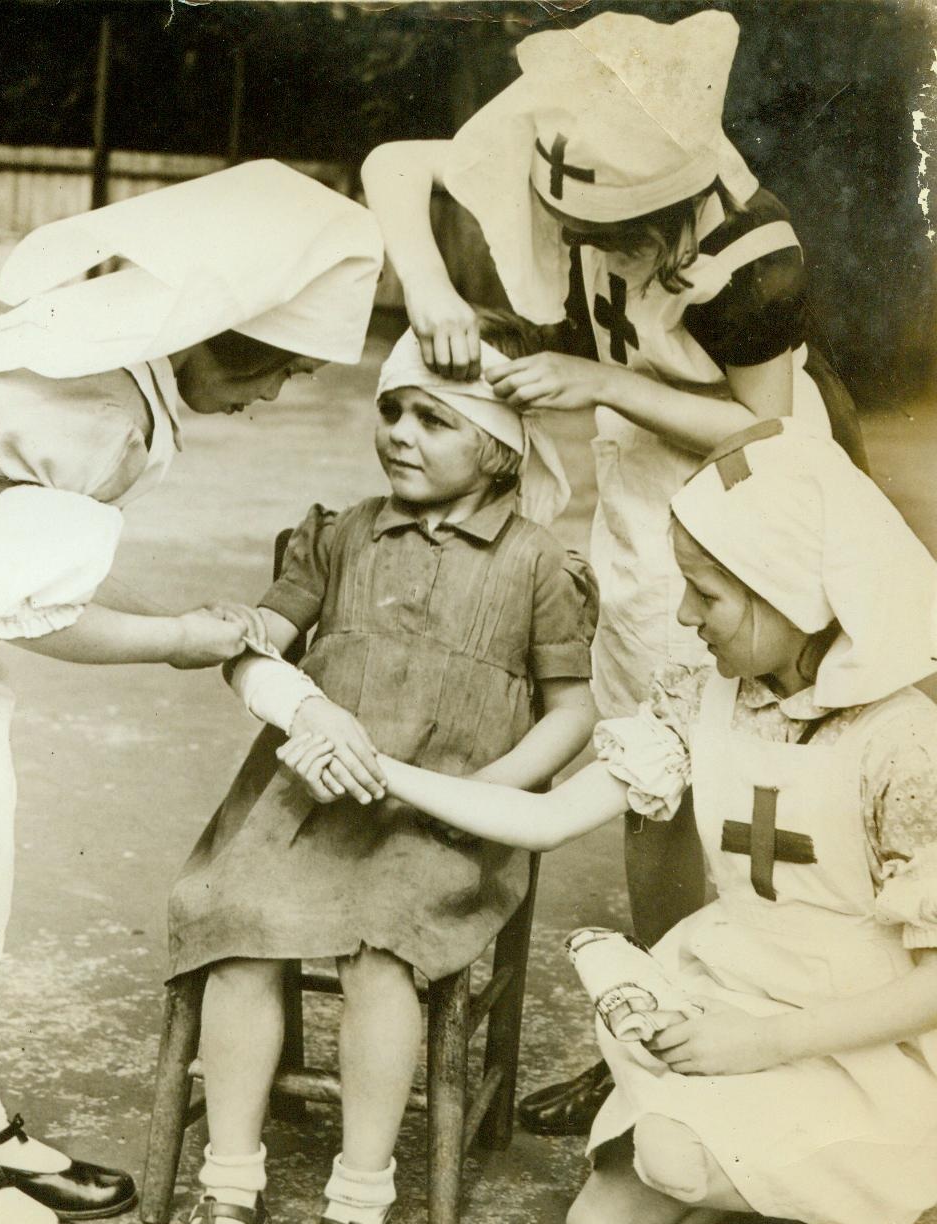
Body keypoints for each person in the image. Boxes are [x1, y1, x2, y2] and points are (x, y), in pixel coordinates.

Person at [361, 7, 870, 1131]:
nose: (610, 253)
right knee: (656, 767)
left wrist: (603, 386)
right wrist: (430, 291)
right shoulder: (573, 135)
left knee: (773, 771)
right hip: (641, 502)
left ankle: (783, 1028)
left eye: (635, 234)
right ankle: (651, 1014)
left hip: (761, 499)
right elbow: (397, 165)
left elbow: (765, 437)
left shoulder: (755, 258)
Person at [286, 418, 937, 1224]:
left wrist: (762, 1046)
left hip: (863, 1044)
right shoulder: (706, 694)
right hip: (731, 998)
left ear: (792, 589)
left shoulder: (904, 744)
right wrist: (383, 772)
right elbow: (549, 817)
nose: (689, 617)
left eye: (710, 594)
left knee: (677, 1158)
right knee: (609, 1205)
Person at [0, 160, 384, 1224]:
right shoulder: (105, 412)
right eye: (272, 373)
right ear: (216, 337)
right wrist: (180, 640)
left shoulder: (86, 344)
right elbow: (43, 615)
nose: (272, 398)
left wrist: (189, 623)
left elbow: (43, 555)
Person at [166, 314, 599, 1224]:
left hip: (444, 819)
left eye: (433, 419)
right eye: (392, 410)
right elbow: (253, 651)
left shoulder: (538, 564)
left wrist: (487, 796)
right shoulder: (340, 535)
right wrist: (302, 710)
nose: (399, 432)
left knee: (382, 951)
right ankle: (228, 1180)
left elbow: (573, 711)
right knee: (235, 926)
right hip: (305, 804)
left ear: (500, 449)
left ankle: (361, 1190)